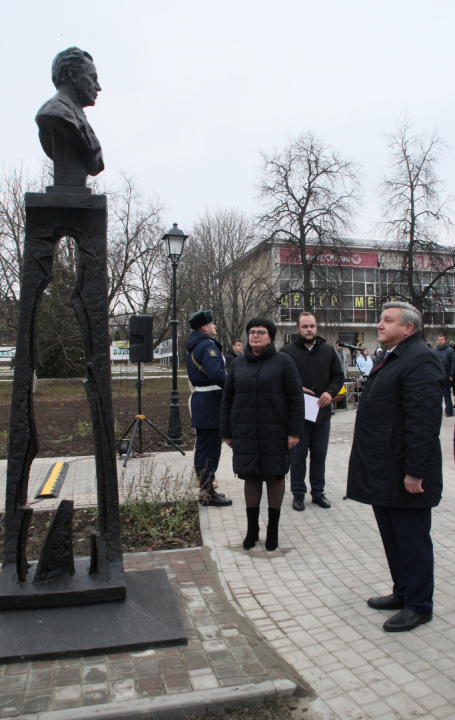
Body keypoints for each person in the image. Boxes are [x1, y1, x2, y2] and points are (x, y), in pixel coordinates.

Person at [346, 301, 445, 632]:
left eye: (388, 320)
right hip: (384, 469)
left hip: (406, 473)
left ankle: (419, 605)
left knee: (412, 540)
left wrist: (416, 471)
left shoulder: (421, 359)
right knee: (393, 538)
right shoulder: (391, 357)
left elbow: (423, 421)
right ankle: (403, 592)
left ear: (409, 328)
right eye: (380, 319)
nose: (379, 324)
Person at [220, 318, 304, 551]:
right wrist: (226, 432)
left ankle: (273, 530)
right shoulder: (238, 364)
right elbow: (227, 399)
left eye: (261, 332)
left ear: (270, 337)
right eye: (252, 332)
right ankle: (252, 529)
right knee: (251, 477)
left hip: (275, 432)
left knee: (275, 477)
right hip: (245, 431)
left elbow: (296, 399)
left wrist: (294, 432)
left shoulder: (284, 362)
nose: (255, 335)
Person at [280, 312, 344, 511]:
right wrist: (296, 389)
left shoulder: (328, 351)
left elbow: (338, 377)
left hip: (322, 414)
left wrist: (330, 392)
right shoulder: (286, 352)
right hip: (297, 416)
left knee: (319, 455)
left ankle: (318, 492)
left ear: (317, 328)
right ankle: (298, 494)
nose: (309, 329)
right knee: (298, 457)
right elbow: (277, 380)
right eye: (305, 326)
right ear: (297, 329)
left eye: (312, 326)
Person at [36, 47, 104, 183]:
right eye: (92, 78)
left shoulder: (75, 115)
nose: (98, 87)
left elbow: (96, 164)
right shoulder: (55, 113)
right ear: (72, 75)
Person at [186, 310, 232, 507]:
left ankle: (206, 491)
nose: (215, 326)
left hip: (204, 400)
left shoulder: (196, 345)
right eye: (212, 323)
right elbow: (216, 374)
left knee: (205, 447)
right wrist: (234, 387)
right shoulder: (206, 346)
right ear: (204, 327)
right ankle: (207, 493)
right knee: (209, 449)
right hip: (210, 402)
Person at [434, 334, 455, 417]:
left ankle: (449, 410)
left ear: (445, 341)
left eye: (442, 339)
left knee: (446, 393)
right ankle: (436, 410)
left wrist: (451, 374)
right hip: (436, 376)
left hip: (446, 376)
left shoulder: (450, 350)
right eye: (439, 339)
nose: (440, 340)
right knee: (436, 394)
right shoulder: (434, 351)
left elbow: (453, 363)